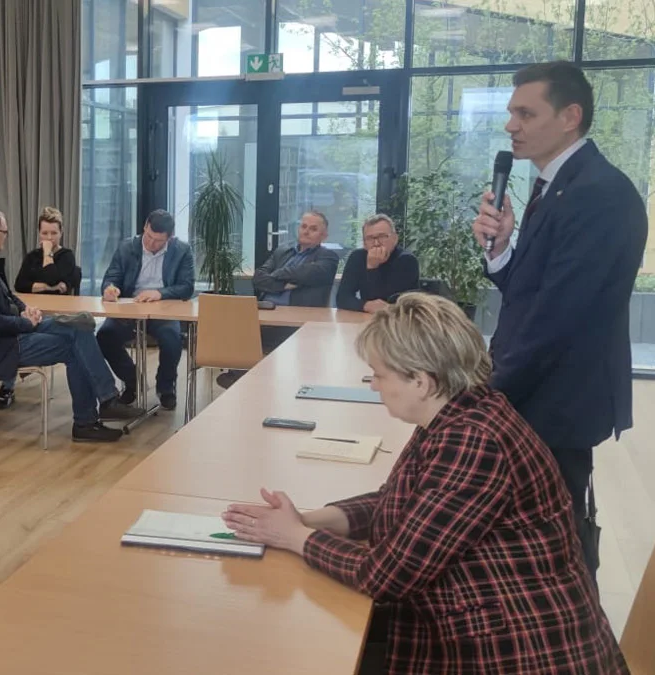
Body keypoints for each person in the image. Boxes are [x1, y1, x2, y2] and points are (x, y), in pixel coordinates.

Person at [222, 293, 627, 675]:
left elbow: (385, 577)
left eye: (379, 375)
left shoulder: (472, 441)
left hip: (514, 651)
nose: (374, 385)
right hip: (494, 627)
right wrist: (308, 520)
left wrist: (295, 537)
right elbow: (403, 502)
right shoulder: (462, 412)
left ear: (421, 381)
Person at [472, 61, 648, 578]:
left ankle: (571, 623)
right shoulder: (557, 185)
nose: (511, 125)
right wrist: (501, 250)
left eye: (526, 113)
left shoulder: (599, 194)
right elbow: (531, 293)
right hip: (538, 392)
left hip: (557, 400)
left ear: (570, 117)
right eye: (511, 112)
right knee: (530, 537)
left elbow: (557, 319)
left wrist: (485, 398)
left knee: (554, 547)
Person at [0, 208, 142, 443]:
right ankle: (89, 419)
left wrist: (24, 309)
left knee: (80, 327)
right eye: (4, 232)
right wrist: (24, 322)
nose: (6, 237)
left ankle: (105, 403)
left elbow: (9, 295)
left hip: (13, 331)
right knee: (74, 346)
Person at [217, 210, 339, 389]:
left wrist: (277, 274)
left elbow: (306, 273)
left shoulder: (328, 257)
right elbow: (258, 278)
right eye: (303, 226)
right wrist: (283, 285)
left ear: (324, 235)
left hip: (297, 321)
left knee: (261, 342)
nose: (306, 231)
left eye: (313, 229)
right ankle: (246, 380)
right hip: (265, 312)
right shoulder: (282, 252)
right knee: (235, 328)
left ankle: (246, 381)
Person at [96, 209, 195, 410]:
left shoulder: (182, 250)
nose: (151, 243)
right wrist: (110, 289)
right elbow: (111, 278)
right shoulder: (126, 247)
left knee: (172, 338)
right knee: (105, 336)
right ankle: (133, 381)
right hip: (130, 308)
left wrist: (160, 293)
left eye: (158, 241)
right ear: (145, 227)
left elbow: (187, 287)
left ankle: (165, 387)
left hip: (163, 310)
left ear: (170, 238)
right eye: (148, 236)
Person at [335, 214, 420, 313]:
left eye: (382, 236)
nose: (376, 243)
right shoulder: (357, 257)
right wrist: (365, 305)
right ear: (364, 243)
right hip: (365, 319)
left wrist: (372, 267)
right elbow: (342, 298)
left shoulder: (407, 260)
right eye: (370, 238)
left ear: (395, 239)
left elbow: (385, 304)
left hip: (399, 319)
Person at [14, 207, 79, 296]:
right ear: (39, 233)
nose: (49, 238)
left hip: (58, 303)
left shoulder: (67, 256)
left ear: (61, 233)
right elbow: (20, 285)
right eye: (44, 233)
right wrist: (48, 287)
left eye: (54, 233)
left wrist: (47, 251)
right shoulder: (32, 256)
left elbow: (51, 279)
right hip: (34, 303)